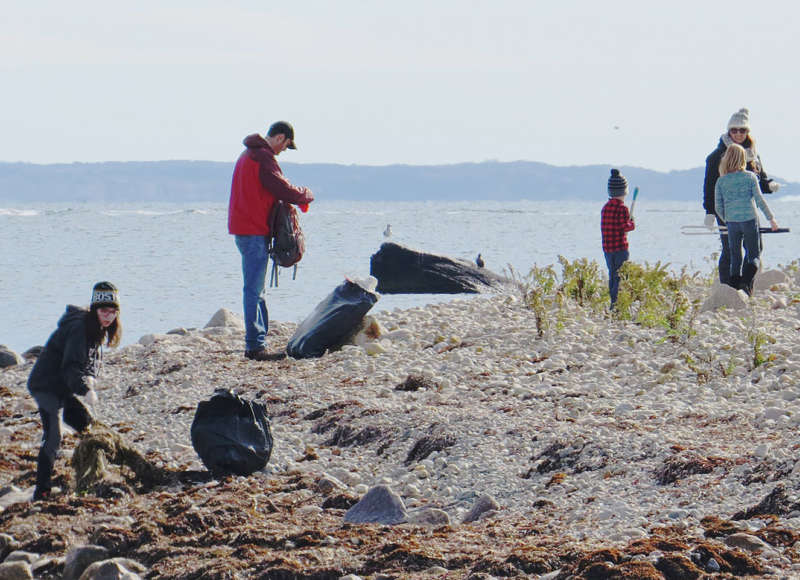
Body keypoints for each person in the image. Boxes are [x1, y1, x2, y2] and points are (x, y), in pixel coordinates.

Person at [228, 121, 314, 361]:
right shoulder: (262, 157)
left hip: (245, 228)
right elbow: (282, 188)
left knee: (257, 287)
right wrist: (306, 194)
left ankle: (258, 339)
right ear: (280, 138)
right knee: (254, 289)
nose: (283, 151)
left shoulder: (249, 154)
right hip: (252, 229)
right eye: (286, 146)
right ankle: (254, 346)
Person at [27, 281, 121, 501]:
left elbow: (90, 362)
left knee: (87, 425)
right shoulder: (79, 327)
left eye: (113, 312)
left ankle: (88, 478)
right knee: (53, 436)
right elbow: (70, 365)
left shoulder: (97, 329)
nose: (108, 316)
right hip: (46, 385)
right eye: (103, 311)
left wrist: (89, 377)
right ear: (94, 309)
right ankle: (41, 492)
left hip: (64, 386)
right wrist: (85, 388)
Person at [703, 108, 780, 286]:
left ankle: (744, 287)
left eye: (742, 130)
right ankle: (727, 288)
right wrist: (710, 212)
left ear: (747, 132)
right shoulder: (716, 157)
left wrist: (769, 185)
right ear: (728, 131)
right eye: (734, 130)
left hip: (749, 212)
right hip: (726, 212)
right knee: (731, 251)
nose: (738, 134)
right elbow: (710, 187)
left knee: (755, 250)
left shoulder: (753, 154)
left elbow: (759, 183)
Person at [714, 144, 779, 295]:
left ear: (726, 159)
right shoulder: (750, 177)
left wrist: (727, 219)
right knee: (753, 255)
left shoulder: (721, 181)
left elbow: (718, 207)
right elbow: (760, 200)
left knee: (735, 256)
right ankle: (745, 283)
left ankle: (734, 289)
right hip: (749, 219)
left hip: (732, 223)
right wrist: (772, 219)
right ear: (743, 159)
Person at [601, 168, 635, 306]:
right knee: (621, 275)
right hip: (620, 248)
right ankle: (617, 304)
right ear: (624, 191)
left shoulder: (605, 207)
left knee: (612, 275)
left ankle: (613, 302)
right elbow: (624, 227)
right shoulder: (622, 208)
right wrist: (632, 223)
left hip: (608, 249)